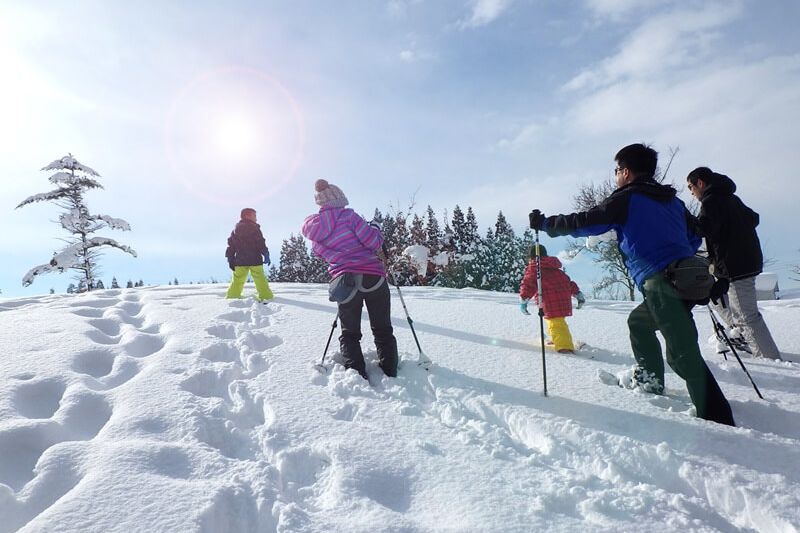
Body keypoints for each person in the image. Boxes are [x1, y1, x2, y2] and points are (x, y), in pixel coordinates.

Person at [529, 143, 735, 426]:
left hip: (661, 282)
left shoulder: (627, 199)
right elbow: (694, 235)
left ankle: (718, 420)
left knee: (682, 353)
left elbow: (586, 221)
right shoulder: (674, 203)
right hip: (684, 279)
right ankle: (649, 381)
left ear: (626, 171)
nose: (616, 176)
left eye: (616, 171)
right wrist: (680, 258)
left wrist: (546, 224)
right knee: (639, 323)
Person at [301, 179, 398, 379]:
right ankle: (390, 371)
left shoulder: (315, 231)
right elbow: (373, 242)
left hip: (344, 282)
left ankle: (356, 373)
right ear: (339, 198)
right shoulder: (349, 216)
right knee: (382, 328)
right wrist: (376, 229)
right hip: (373, 276)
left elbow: (319, 253)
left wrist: (340, 255)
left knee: (349, 333)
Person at [687, 166, 781, 360]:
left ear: (701, 183)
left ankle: (771, 359)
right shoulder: (730, 198)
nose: (691, 192)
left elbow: (705, 228)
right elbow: (753, 218)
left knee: (747, 316)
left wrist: (686, 221)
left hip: (735, 266)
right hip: (745, 262)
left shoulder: (711, 201)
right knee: (718, 299)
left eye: (691, 187)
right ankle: (741, 336)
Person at [519, 244, 585, 353]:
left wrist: (524, 299)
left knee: (556, 324)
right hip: (562, 300)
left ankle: (565, 347)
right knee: (554, 321)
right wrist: (577, 293)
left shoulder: (534, 268)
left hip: (550, 301)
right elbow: (567, 282)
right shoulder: (554, 267)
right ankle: (557, 339)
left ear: (531, 257)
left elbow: (528, 284)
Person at [225, 208, 274, 302]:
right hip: (255, 259)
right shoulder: (255, 228)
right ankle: (266, 296)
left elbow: (231, 245)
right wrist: (265, 253)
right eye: (254, 216)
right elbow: (260, 242)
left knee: (237, 280)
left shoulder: (235, 230)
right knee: (260, 278)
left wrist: (230, 258)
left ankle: (232, 297)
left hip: (240, 260)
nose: (256, 219)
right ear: (247, 216)